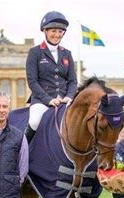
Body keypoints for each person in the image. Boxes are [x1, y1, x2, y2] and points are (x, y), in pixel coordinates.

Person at [24, 11, 77, 142]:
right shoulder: (35, 52)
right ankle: (22, 151)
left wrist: (69, 96)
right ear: (45, 31)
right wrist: (48, 100)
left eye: (60, 32)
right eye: (53, 31)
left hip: (65, 100)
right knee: (35, 121)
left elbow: (72, 81)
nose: (57, 35)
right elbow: (32, 81)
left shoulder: (67, 54)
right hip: (42, 101)